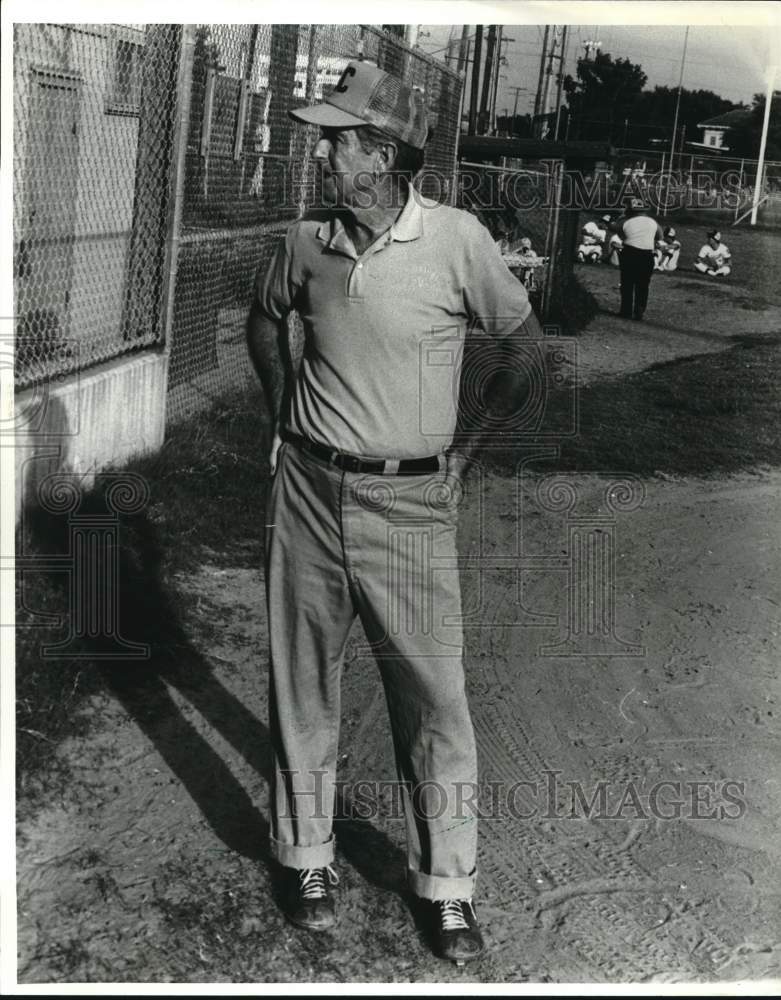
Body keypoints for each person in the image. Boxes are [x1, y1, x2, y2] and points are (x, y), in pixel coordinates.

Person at [246, 58, 540, 966]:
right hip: (305, 487)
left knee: (433, 696)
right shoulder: (306, 242)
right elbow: (265, 319)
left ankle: (445, 887)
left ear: (382, 153)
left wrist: (463, 460)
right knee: (302, 679)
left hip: (409, 498)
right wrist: (285, 412)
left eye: (335, 138)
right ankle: (305, 857)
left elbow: (524, 351)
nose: (322, 151)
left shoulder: (455, 241)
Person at [612, 197, 664, 320]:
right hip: (646, 254)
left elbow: (616, 230)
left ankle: (626, 311)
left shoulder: (625, 222)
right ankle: (639, 310)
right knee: (643, 284)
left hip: (630, 252)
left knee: (627, 283)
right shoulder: (653, 222)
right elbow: (660, 236)